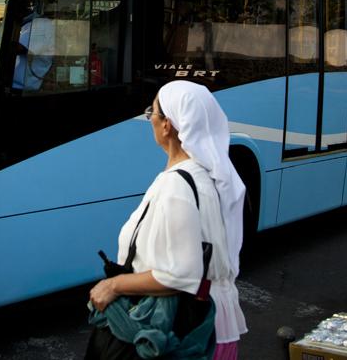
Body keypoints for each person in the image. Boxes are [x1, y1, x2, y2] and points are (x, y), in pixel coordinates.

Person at [87, 81, 248, 359]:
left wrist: (112, 285)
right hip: (210, 328)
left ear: (167, 126)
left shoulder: (177, 186)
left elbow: (179, 275)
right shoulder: (209, 175)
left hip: (181, 331)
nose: (149, 118)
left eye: (153, 112)